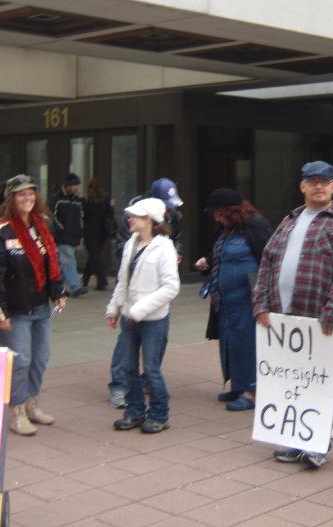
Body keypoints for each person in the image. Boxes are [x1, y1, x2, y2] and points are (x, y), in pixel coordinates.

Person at [251, 160, 333, 468]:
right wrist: (260, 304)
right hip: (283, 322)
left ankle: (317, 445)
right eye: (312, 181)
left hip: (320, 324)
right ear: (302, 186)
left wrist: (332, 314)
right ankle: (292, 440)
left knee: (320, 384)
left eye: (325, 182)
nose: (318, 186)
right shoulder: (289, 221)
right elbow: (268, 261)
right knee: (290, 382)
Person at [0, 174, 67, 436]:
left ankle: (32, 404)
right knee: (20, 361)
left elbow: (52, 262)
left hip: (41, 307)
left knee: (40, 359)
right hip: (14, 311)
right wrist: (0, 312)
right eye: (21, 194)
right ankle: (16, 411)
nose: (27, 198)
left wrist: (59, 291)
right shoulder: (0, 230)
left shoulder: (42, 225)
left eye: (31, 193)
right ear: (10, 199)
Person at [104, 198, 180, 434]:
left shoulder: (165, 248)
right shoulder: (130, 244)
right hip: (130, 318)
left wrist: (140, 309)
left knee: (151, 369)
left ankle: (159, 414)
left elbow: (171, 287)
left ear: (149, 220)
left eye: (136, 215)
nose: (130, 219)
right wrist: (114, 308)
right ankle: (135, 411)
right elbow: (123, 281)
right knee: (127, 366)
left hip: (153, 321)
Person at [194, 188, 272, 412]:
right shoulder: (226, 230)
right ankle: (239, 384)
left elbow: (268, 257)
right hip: (226, 300)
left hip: (248, 298)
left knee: (248, 342)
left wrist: (264, 296)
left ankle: (253, 391)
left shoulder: (255, 225)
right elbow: (222, 256)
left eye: (218, 213)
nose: (215, 218)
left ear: (230, 211)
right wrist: (207, 262)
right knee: (231, 342)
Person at [50, 173, 86, 297]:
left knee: (65, 262)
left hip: (74, 236)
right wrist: (61, 230)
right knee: (69, 260)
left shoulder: (77, 201)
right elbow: (51, 217)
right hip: (63, 236)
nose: (77, 188)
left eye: (78, 185)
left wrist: (80, 231)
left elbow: (81, 217)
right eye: (74, 185)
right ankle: (75, 286)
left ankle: (64, 287)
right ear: (67, 186)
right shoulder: (57, 200)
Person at [81, 178, 114, 292]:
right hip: (102, 232)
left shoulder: (85, 201)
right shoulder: (106, 199)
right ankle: (85, 279)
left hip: (89, 232)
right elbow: (110, 213)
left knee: (95, 256)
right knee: (94, 255)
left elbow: (83, 217)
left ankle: (102, 281)